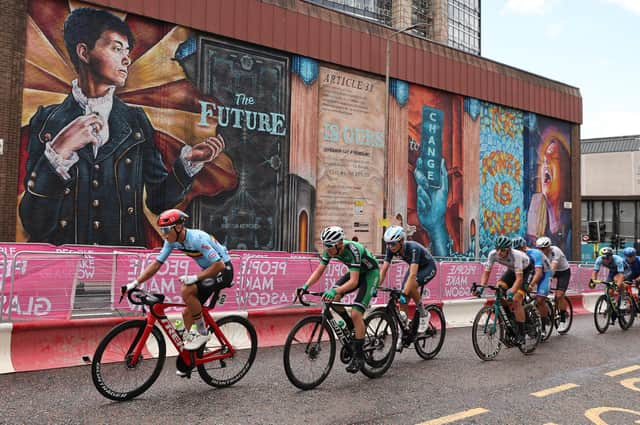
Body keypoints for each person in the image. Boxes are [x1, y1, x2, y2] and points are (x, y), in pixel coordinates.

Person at [19, 8, 224, 246]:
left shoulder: (135, 120)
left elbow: (158, 202)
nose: (127, 58)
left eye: (127, 51)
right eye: (116, 48)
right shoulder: (47, 121)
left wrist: (187, 165)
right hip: (68, 268)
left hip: (124, 262)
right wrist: (58, 151)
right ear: (84, 52)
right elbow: (34, 223)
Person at [124, 209, 233, 364]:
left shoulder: (197, 239)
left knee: (187, 289)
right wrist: (134, 283)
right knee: (187, 314)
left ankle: (202, 333)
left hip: (223, 270)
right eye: (162, 230)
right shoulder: (172, 241)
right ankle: (193, 358)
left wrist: (194, 277)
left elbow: (219, 265)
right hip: (210, 271)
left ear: (179, 227)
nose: (163, 234)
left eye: (166, 230)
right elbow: (156, 264)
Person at [299, 226, 380, 374]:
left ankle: (359, 357)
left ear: (339, 244)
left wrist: (334, 289)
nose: (327, 249)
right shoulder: (330, 249)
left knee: (356, 313)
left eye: (329, 246)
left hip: (370, 274)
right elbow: (319, 270)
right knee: (334, 299)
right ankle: (350, 327)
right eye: (325, 245)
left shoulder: (353, 249)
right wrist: (305, 286)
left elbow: (354, 282)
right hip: (356, 272)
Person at [379, 225, 437, 348]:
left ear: (401, 241)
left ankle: (423, 313)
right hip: (414, 269)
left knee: (409, 288)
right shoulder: (391, 249)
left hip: (427, 267)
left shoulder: (413, 248)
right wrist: (375, 287)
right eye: (388, 244)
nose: (390, 247)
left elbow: (413, 275)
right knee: (402, 301)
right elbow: (383, 271)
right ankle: (403, 333)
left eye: (393, 244)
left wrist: (405, 292)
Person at [475, 235, 534, 345]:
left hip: (526, 271)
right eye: (497, 249)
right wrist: (481, 288)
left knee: (516, 300)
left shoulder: (516, 256)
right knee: (499, 290)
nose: (499, 252)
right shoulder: (492, 254)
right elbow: (486, 272)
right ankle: (510, 321)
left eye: (502, 250)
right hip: (512, 270)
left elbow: (519, 279)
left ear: (509, 250)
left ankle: (521, 334)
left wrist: (512, 291)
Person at [526, 132, 572, 254]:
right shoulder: (535, 209)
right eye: (545, 158)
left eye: (553, 158)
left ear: (564, 170)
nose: (546, 161)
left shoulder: (569, 227)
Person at [512, 236, 552, 329]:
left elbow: (538, 273)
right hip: (530, 272)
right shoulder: (516, 255)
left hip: (544, 274)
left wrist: (531, 285)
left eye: (518, 249)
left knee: (539, 300)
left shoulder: (535, 253)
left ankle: (543, 327)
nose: (516, 252)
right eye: (515, 250)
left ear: (524, 247)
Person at [535, 236, 571, 322]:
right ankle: (547, 312)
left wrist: (548, 279)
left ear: (549, 247)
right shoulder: (537, 253)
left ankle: (562, 317)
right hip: (548, 271)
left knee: (559, 295)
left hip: (563, 272)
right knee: (541, 294)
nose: (541, 251)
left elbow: (553, 268)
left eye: (543, 249)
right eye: (539, 249)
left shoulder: (555, 251)